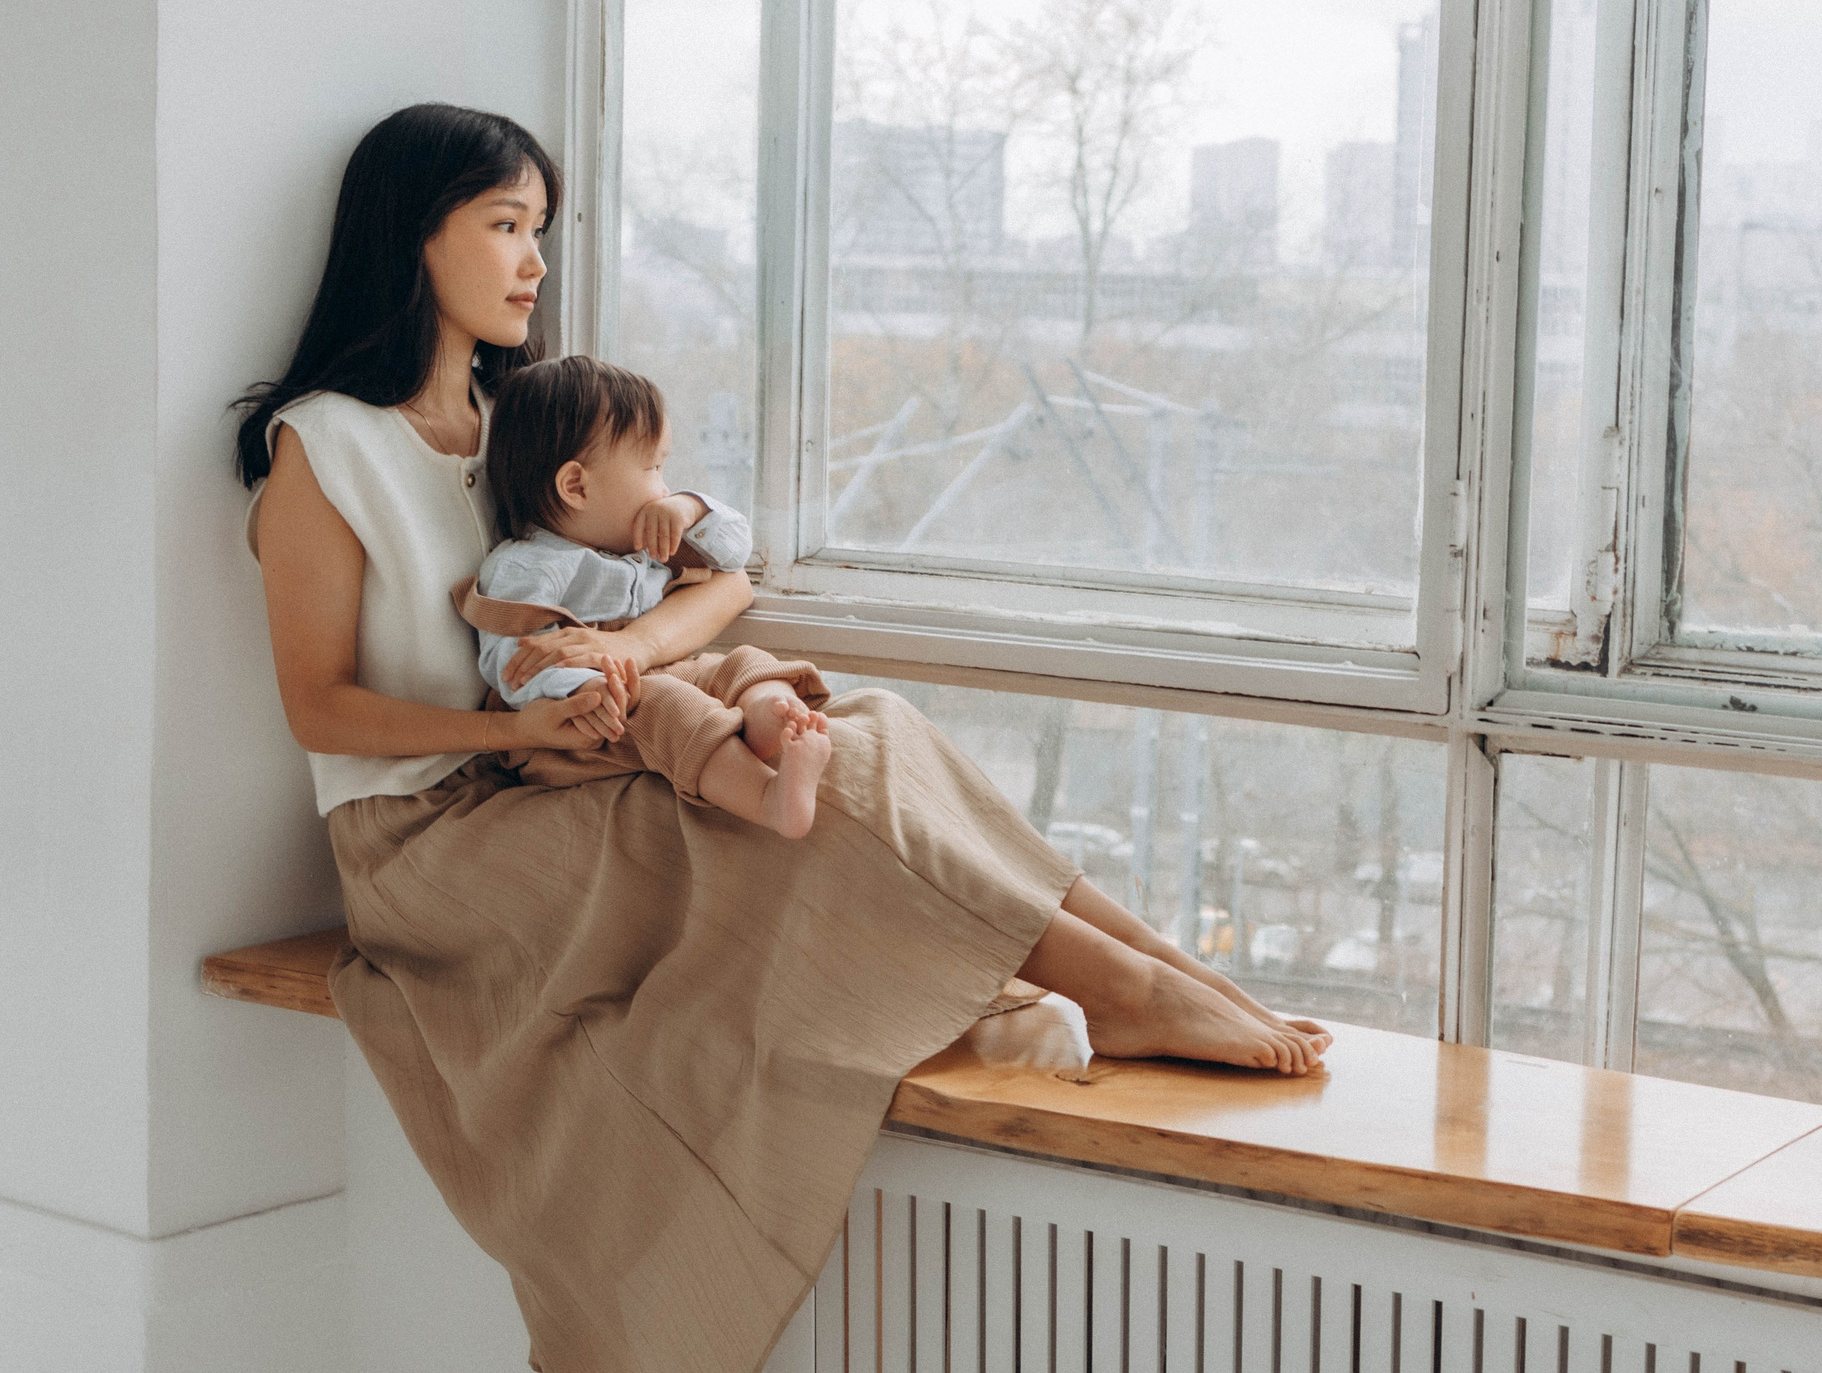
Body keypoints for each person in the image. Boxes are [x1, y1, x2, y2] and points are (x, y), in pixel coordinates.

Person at [237, 103, 1329, 1373]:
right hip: (430, 837)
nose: (536, 259)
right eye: (504, 226)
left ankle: (1143, 969)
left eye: (542, 227)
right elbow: (318, 705)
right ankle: (1126, 986)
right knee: (824, 784)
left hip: (562, 762)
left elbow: (724, 586)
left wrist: (633, 641)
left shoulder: (529, 424)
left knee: (871, 730)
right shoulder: (324, 445)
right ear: (412, 238)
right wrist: (509, 719)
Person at [466, 354, 834, 838]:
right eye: (653, 469)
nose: (661, 486)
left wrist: (688, 507)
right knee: (669, 706)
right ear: (576, 485)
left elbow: (733, 553)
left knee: (740, 661)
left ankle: (771, 718)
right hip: (577, 731)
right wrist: (585, 691)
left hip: (657, 676)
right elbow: (513, 666)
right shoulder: (527, 567)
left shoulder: (638, 542)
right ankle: (768, 800)